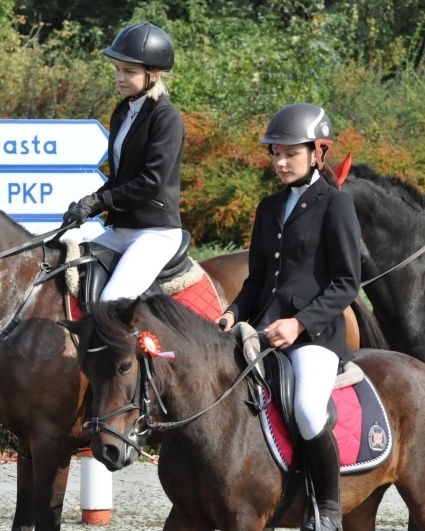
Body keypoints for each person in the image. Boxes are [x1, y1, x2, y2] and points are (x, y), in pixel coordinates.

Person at [219, 103, 360, 531]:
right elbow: (258, 279)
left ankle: (328, 509)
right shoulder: (268, 206)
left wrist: (299, 323)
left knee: (306, 410)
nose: (280, 162)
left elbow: (346, 283)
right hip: (262, 328)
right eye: (275, 154)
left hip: (315, 336)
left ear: (318, 153)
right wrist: (233, 312)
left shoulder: (336, 204)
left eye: (289, 154)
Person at [61, 22, 185, 301]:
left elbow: (151, 182)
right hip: (120, 229)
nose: (120, 77)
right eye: (117, 69)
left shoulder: (166, 117)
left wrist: (101, 201)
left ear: (153, 74)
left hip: (155, 233)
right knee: (65, 272)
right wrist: (87, 205)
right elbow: (121, 178)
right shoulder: (122, 112)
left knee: (110, 302)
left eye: (129, 71)